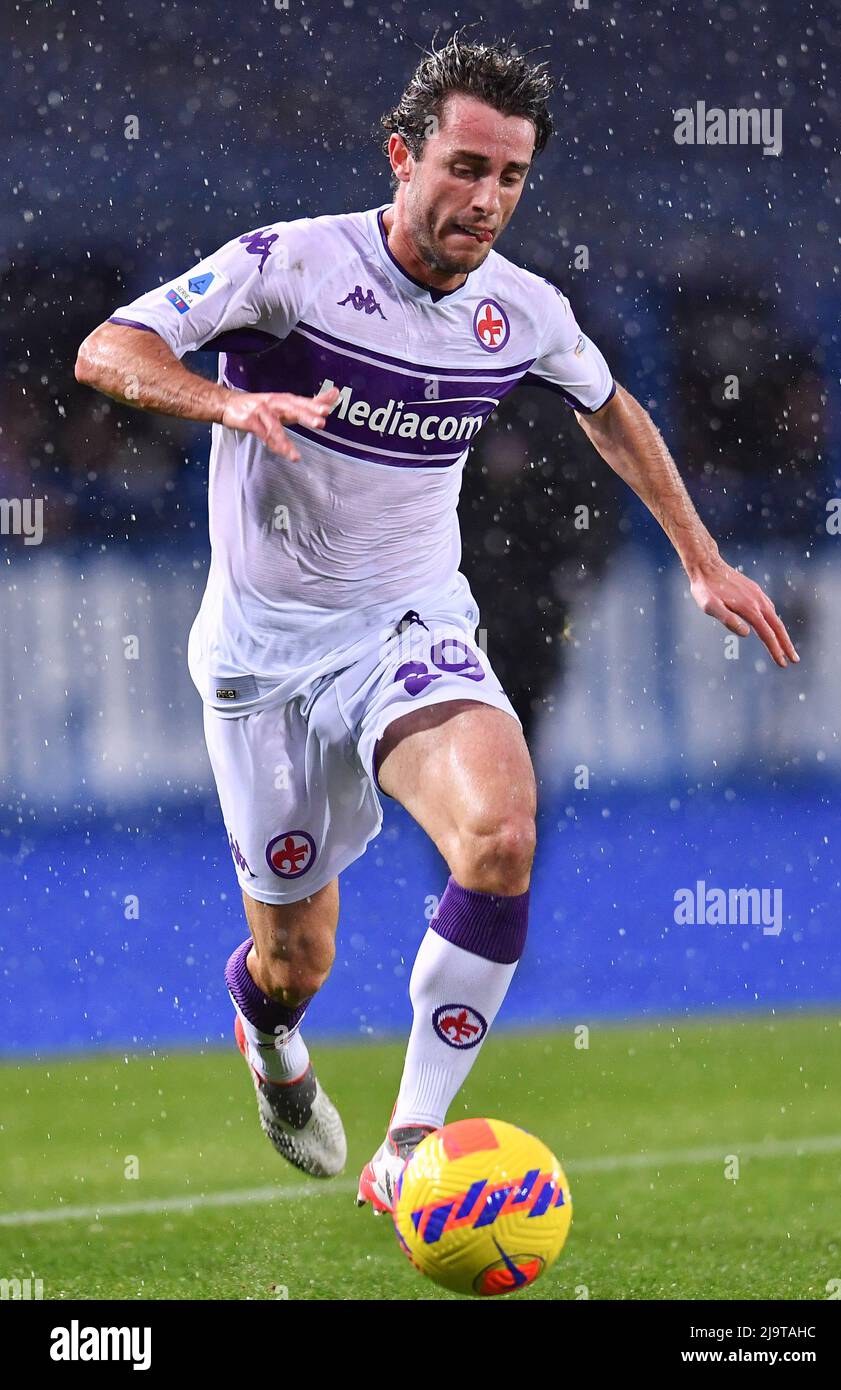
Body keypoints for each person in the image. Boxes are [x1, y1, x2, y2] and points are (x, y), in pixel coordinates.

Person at [74, 34, 798, 1214]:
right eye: (465, 166)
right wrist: (226, 397)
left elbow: (609, 410)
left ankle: (412, 1138)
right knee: (292, 962)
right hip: (263, 661)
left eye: (510, 178)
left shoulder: (520, 312)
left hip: (406, 627)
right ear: (402, 154)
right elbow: (109, 347)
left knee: (501, 829)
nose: (487, 199)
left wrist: (701, 558)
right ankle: (268, 1037)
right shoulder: (292, 264)